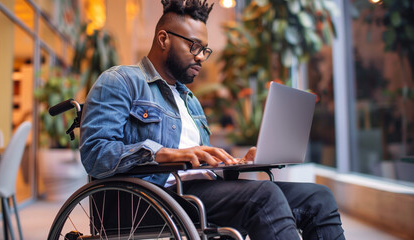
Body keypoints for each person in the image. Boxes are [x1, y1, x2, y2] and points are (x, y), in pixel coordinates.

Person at [80, 0, 345, 239]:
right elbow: (95, 153)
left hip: (202, 191)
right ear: (163, 39)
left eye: (205, 50)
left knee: (319, 197)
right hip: (156, 197)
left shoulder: (189, 100)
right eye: (194, 46)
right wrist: (164, 153)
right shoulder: (121, 81)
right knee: (265, 196)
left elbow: (201, 161)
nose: (200, 57)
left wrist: (236, 163)